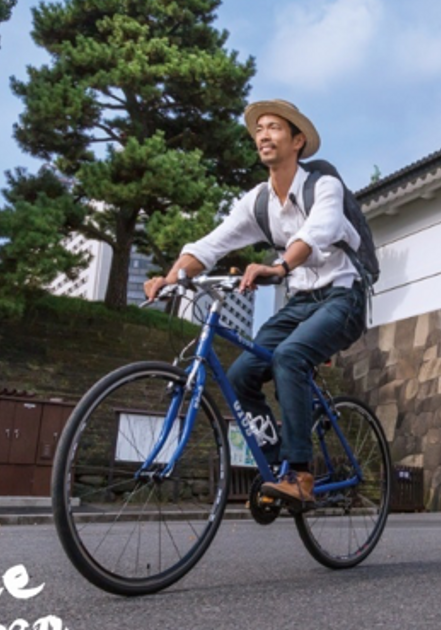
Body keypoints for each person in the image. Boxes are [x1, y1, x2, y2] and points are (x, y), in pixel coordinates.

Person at [144, 99, 367, 509]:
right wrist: (171, 277)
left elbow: (315, 233)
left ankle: (300, 474)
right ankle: (276, 471)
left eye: (274, 128)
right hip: (300, 302)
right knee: (241, 375)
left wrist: (279, 267)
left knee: (289, 357)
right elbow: (211, 244)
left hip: (343, 296)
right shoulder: (258, 201)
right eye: (259, 129)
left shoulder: (324, 186)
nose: (263, 135)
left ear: (297, 141)